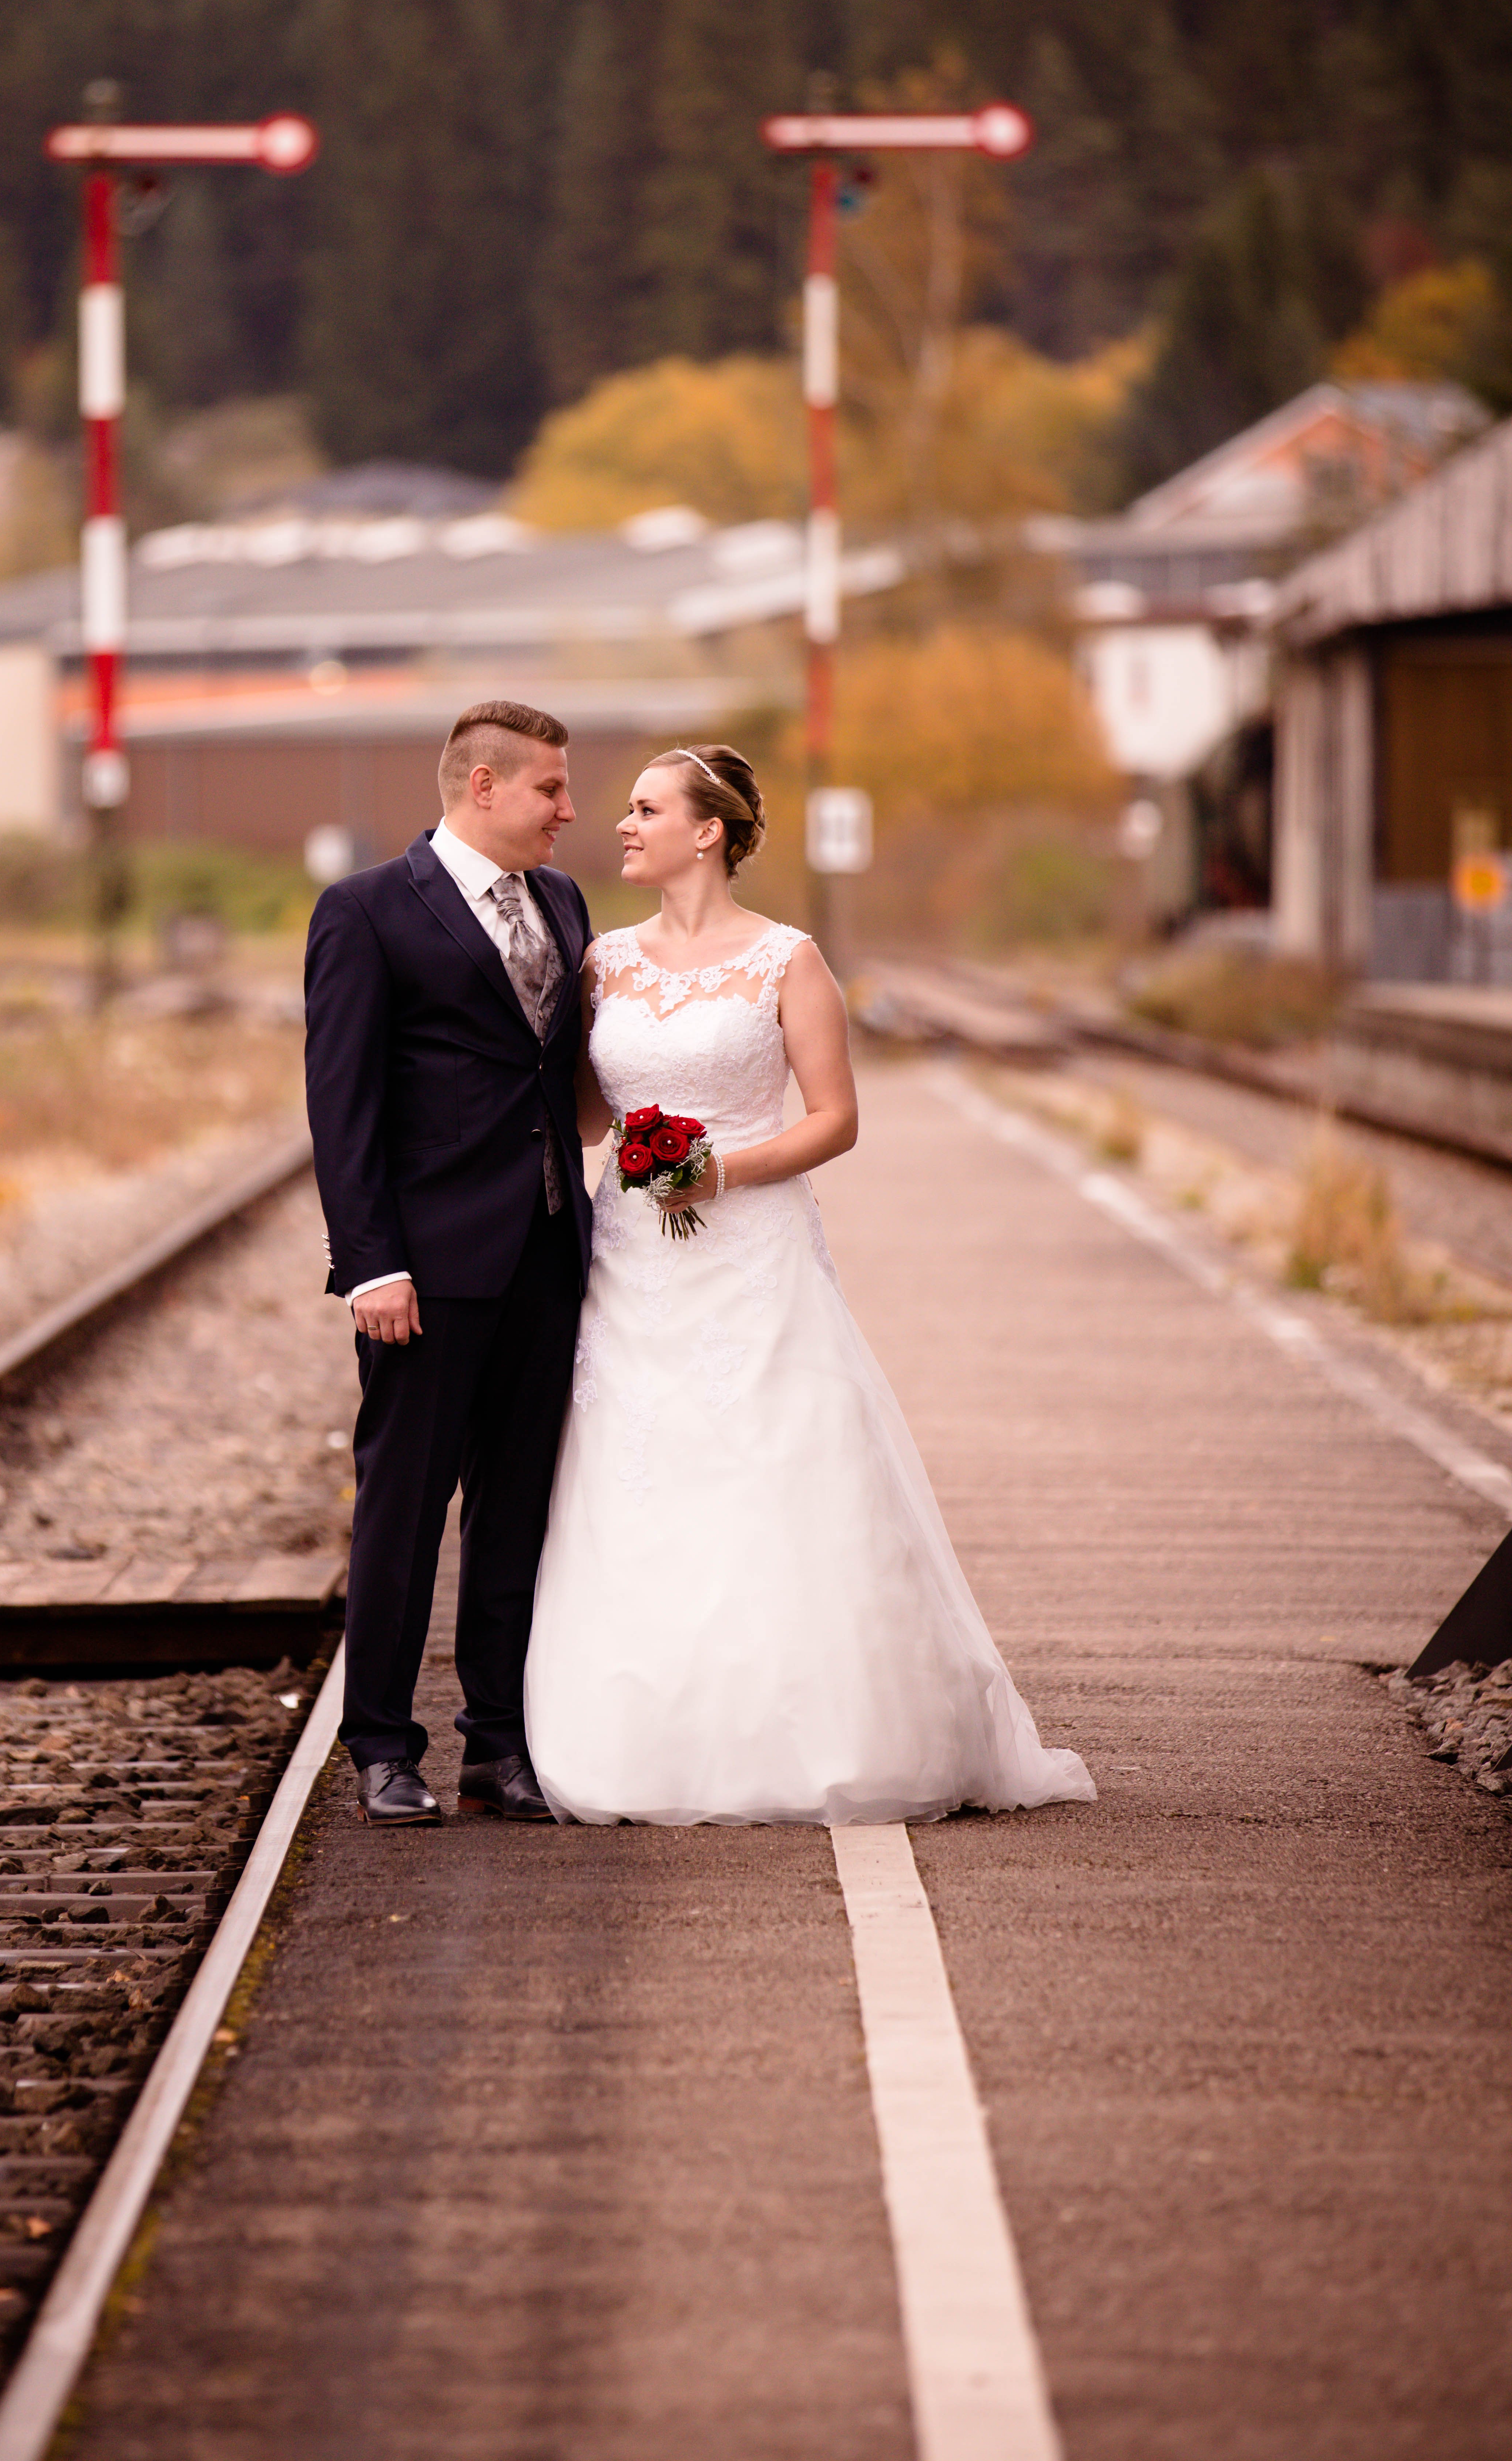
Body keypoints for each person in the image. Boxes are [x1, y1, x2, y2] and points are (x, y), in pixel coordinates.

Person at [524, 744, 1093, 1828]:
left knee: (773, 1459)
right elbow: (589, 1117)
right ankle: (640, 1732)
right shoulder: (603, 963)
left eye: (647, 810)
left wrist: (718, 1169)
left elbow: (837, 1118)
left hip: (756, 1254)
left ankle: (823, 1728)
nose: (623, 825)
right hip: (633, 1261)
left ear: (709, 833)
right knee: (634, 1470)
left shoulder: (789, 959)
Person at [304, 701, 593, 1826]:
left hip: (548, 1252)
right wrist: (370, 1265)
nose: (570, 812)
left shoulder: (562, 902)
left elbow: (561, 1073)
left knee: (516, 1511)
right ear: (484, 787)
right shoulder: (368, 911)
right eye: (551, 791)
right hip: (424, 1270)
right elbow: (344, 1107)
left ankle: (500, 1744)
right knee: (404, 1510)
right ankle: (381, 1745)